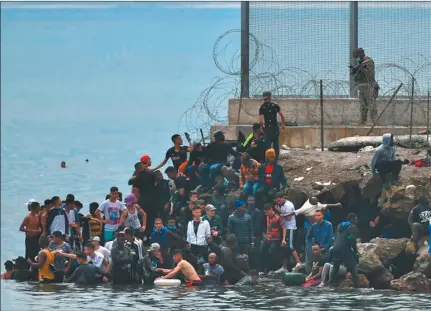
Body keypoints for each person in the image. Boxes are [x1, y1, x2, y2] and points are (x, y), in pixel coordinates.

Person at [329, 213, 360, 288]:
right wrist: (356, 252)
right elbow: (352, 240)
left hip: (335, 248)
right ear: (352, 219)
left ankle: (330, 284)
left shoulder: (339, 226)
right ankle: (357, 287)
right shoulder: (352, 227)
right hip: (344, 249)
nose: (357, 220)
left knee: (335, 266)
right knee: (353, 266)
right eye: (356, 219)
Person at [131, 155, 157, 238]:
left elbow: (135, 190)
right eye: (149, 160)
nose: (151, 161)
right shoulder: (147, 174)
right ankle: (147, 235)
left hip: (145, 199)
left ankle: (146, 235)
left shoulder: (141, 175)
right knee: (148, 217)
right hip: (147, 199)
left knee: (146, 217)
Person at [275, 192, 301, 273]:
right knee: (284, 247)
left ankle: (299, 262)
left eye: (279, 201)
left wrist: (280, 211)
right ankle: (284, 266)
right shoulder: (283, 205)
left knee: (290, 246)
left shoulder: (288, 205)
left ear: (283, 198)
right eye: (277, 202)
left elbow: (289, 218)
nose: (278, 203)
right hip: (285, 228)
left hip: (291, 228)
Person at [350, 48, 377, 125]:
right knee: (363, 105)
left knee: (371, 103)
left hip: (369, 85)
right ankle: (363, 121)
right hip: (362, 86)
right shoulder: (360, 62)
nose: (356, 58)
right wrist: (355, 71)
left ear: (361, 54)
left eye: (356, 56)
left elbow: (369, 73)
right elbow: (359, 74)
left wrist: (360, 69)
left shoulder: (369, 61)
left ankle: (374, 121)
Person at [260, 203, 287, 275]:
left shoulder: (277, 218)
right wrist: (266, 235)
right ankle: (262, 269)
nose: (266, 214)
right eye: (265, 212)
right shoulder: (267, 216)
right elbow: (268, 226)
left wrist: (283, 239)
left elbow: (284, 228)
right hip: (268, 237)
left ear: (271, 210)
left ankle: (272, 269)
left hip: (276, 239)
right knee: (262, 250)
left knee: (272, 252)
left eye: (267, 212)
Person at [258, 91, 286, 158]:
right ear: (270, 97)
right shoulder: (275, 105)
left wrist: (262, 127)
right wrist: (283, 125)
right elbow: (282, 116)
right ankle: (276, 158)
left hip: (267, 129)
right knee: (276, 144)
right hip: (275, 128)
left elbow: (261, 120)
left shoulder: (262, 107)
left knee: (267, 145)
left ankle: (268, 159)